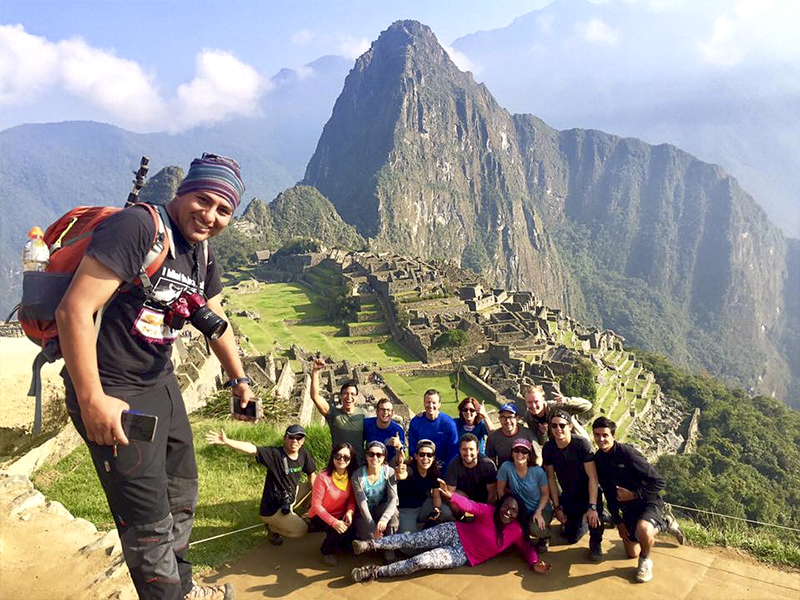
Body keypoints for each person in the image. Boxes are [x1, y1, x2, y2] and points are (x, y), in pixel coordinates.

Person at [56, 153, 250, 600]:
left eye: (224, 210)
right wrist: (92, 401)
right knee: (146, 523)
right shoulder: (140, 228)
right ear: (183, 192)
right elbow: (74, 309)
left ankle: (182, 590)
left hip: (161, 387)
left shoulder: (200, 251)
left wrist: (239, 379)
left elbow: (215, 317)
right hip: (116, 393)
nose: (211, 216)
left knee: (181, 495)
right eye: (204, 200)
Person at [350, 481, 552, 582]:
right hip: (455, 532)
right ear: (500, 505)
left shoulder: (515, 530)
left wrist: (534, 563)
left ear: (518, 514)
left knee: (420, 562)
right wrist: (451, 496)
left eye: (513, 510)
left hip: (462, 554)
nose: (508, 512)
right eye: (506, 506)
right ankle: (371, 545)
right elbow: (470, 506)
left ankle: (374, 572)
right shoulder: (489, 511)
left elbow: (526, 546)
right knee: (415, 540)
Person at [592, 417, 685, 583]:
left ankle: (646, 561)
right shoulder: (599, 459)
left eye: (605, 435)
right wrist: (618, 522)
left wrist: (634, 495)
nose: (601, 439)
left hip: (648, 502)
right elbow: (608, 492)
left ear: (614, 436)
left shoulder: (627, 454)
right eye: (597, 435)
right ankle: (664, 524)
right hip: (628, 509)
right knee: (631, 553)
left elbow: (659, 482)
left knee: (644, 531)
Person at [205, 424, 316, 545]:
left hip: (290, 496)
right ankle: (272, 527)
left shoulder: (303, 453)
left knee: (316, 484)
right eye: (291, 437)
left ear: (303, 441)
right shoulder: (275, 455)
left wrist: (315, 499)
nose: (295, 441)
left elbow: (312, 474)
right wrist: (227, 441)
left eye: (298, 438)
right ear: (285, 439)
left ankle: (297, 516)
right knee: (302, 530)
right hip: (273, 509)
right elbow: (252, 449)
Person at [543, 409, 604, 562]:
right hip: (569, 495)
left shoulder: (581, 444)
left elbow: (593, 477)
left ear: (570, 426)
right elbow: (551, 479)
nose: (558, 429)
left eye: (562, 425)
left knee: (595, 520)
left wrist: (593, 507)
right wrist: (557, 508)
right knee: (572, 537)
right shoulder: (549, 448)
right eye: (554, 426)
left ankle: (596, 541)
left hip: (588, 492)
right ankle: (581, 521)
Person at [496, 438, 553, 553]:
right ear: (512, 453)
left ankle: (545, 535)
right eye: (517, 450)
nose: (520, 454)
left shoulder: (537, 472)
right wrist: (506, 510)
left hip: (540, 509)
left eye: (524, 451)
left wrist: (539, 511)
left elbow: (546, 494)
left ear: (529, 455)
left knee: (534, 529)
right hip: (519, 510)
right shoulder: (506, 467)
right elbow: (500, 490)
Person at [308, 442, 358, 566]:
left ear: (351, 460)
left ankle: (343, 543)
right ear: (333, 457)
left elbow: (352, 498)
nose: (341, 459)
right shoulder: (323, 477)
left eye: (346, 457)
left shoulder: (350, 477)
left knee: (351, 524)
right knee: (335, 528)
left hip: (340, 513)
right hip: (320, 516)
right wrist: (333, 522)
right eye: (338, 456)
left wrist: (350, 511)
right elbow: (316, 505)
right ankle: (327, 551)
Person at [310, 356, 366, 465]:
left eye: (352, 394)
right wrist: (315, 371)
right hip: (339, 465)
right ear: (340, 396)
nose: (349, 397)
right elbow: (315, 396)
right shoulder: (333, 414)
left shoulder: (364, 415)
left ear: (357, 396)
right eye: (345, 393)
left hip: (358, 466)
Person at [395, 439, 454, 533]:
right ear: (415, 456)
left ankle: (422, 527)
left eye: (429, 455)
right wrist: (400, 473)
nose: (425, 458)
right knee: (408, 543)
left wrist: (437, 509)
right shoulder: (410, 470)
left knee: (446, 513)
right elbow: (403, 475)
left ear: (434, 457)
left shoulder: (434, 472)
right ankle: (417, 528)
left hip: (423, 506)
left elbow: (436, 495)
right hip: (406, 510)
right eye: (422, 454)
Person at [352, 440, 399, 549]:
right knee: (371, 539)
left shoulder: (389, 472)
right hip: (364, 515)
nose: (375, 458)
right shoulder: (358, 476)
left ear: (384, 457)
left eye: (379, 455)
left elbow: (393, 499)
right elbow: (362, 505)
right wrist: (373, 528)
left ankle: (389, 549)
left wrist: (384, 519)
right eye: (371, 454)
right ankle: (376, 544)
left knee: (394, 513)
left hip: (381, 510)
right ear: (366, 455)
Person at [521, 385, 592, 446]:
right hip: (560, 450)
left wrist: (567, 401)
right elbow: (541, 442)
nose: (533, 406)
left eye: (536, 401)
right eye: (529, 402)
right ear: (525, 402)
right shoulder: (529, 417)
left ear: (543, 400)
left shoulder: (557, 407)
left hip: (580, 444)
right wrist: (542, 433)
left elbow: (587, 405)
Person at [407, 389, 459, 468]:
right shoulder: (416, 422)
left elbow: (453, 450)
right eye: (428, 402)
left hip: (443, 466)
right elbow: (412, 448)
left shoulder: (448, 423)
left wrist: (446, 468)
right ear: (424, 403)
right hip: (422, 465)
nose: (431, 405)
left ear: (439, 404)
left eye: (434, 403)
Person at [444, 433, 497, 505]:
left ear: (477, 450)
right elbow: (449, 493)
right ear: (459, 450)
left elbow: (492, 494)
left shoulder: (488, 465)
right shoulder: (453, 465)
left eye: (471, 449)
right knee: (453, 497)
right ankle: (459, 516)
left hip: (483, 501)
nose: (468, 453)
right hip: (464, 499)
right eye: (464, 449)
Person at [485, 403, 538, 467]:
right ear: (499, 418)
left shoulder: (528, 434)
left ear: (517, 418)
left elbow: (538, 456)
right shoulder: (493, 437)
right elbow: (490, 461)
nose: (507, 421)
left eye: (510, 417)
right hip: (503, 473)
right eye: (503, 417)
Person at [363, 398, 405, 465]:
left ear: (392, 413)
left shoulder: (397, 430)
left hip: (389, 464)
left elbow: (400, 461)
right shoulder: (367, 424)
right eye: (382, 409)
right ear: (377, 412)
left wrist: (398, 447)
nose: (385, 412)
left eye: (388, 410)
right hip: (371, 461)